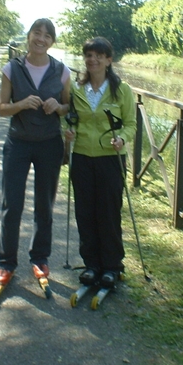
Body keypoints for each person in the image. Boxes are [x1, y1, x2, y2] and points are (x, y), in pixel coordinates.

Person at [0, 18, 71, 289]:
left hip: (50, 144)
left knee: (44, 206)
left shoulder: (62, 71)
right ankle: (7, 263)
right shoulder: (11, 69)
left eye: (47, 35)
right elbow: (1, 108)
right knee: (11, 204)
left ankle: (40, 258)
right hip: (18, 144)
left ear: (52, 42)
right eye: (37, 33)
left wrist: (57, 106)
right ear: (28, 36)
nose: (41, 39)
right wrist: (21, 104)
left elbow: (68, 106)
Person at [65, 37, 136, 289]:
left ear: (108, 60)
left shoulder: (122, 90)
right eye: (88, 55)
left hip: (110, 159)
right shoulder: (76, 90)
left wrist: (122, 138)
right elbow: (69, 119)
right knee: (85, 212)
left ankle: (112, 266)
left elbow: (131, 124)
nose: (92, 59)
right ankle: (91, 264)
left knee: (108, 212)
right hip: (83, 157)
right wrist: (68, 131)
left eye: (98, 55)